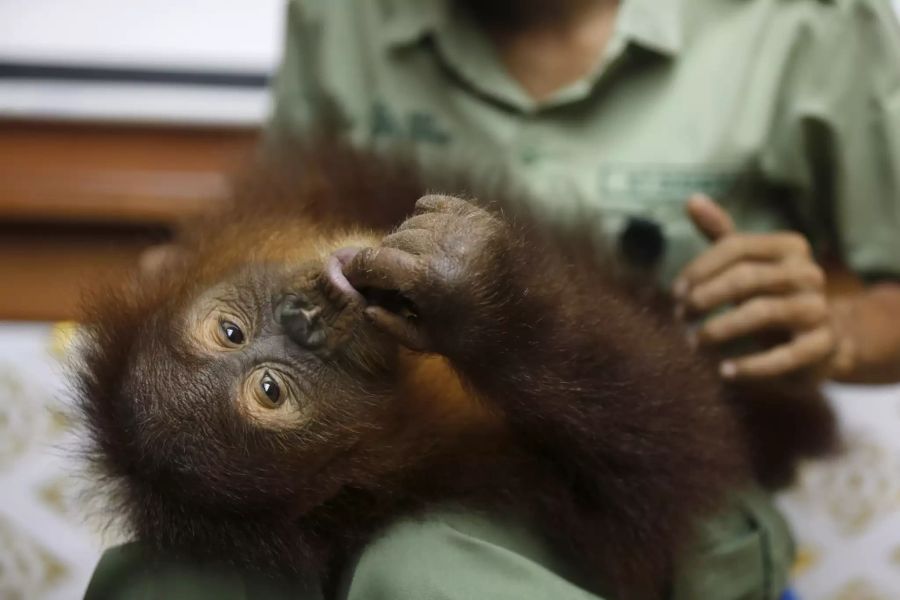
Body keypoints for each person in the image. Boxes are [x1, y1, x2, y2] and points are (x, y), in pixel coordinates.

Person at [85, 0, 900, 598]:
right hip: (378, 478)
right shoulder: (341, 17)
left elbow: (659, 467)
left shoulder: (810, 27)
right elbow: (285, 206)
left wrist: (837, 334)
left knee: (428, 572)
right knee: (161, 581)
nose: (296, 325)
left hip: (644, 483)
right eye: (235, 337)